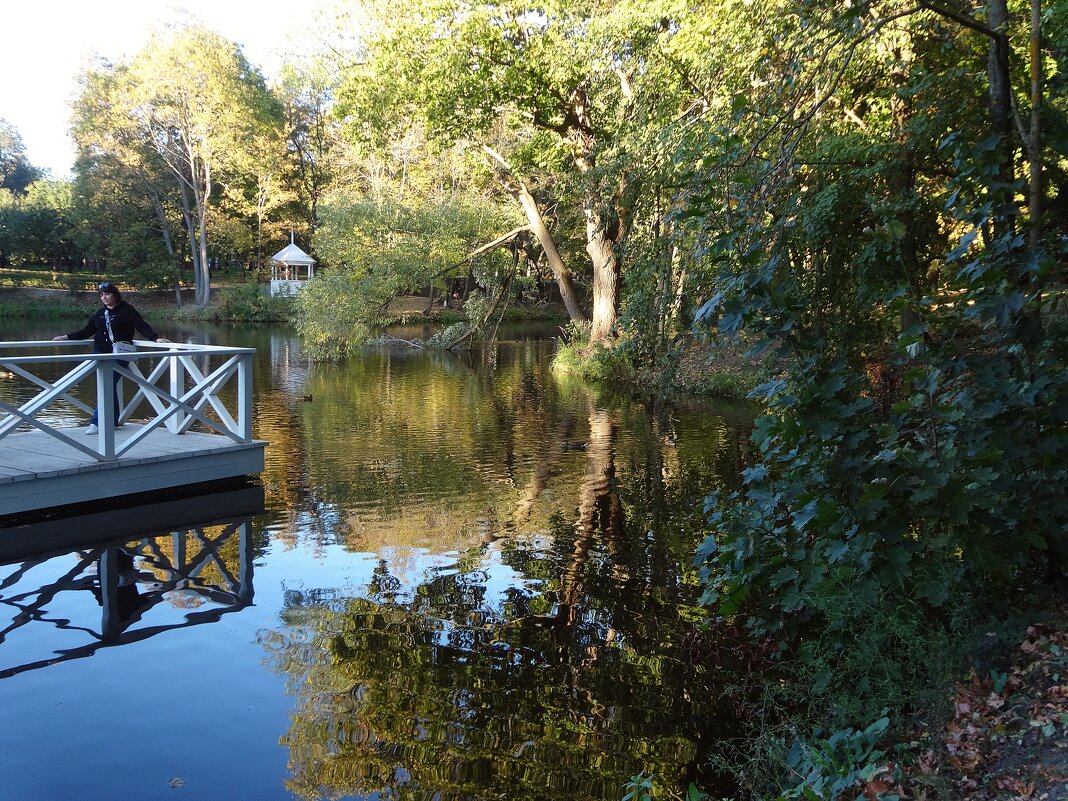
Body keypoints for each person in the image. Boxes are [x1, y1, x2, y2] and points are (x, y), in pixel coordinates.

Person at [53, 281, 171, 434]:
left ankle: (96, 423)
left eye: (107, 294)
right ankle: (113, 420)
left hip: (120, 354)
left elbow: (141, 325)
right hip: (100, 353)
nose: (104, 297)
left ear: (115, 294)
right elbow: (87, 331)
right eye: (101, 295)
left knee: (106, 384)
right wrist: (66, 337)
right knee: (108, 386)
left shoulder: (127, 310)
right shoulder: (100, 313)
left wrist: (155, 339)